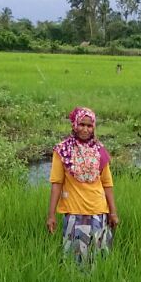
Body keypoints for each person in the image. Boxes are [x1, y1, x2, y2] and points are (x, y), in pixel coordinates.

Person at [46, 107, 121, 267]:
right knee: (74, 261)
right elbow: (57, 184)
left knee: (99, 259)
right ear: (74, 124)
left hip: (99, 212)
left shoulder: (99, 150)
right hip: (74, 213)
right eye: (81, 124)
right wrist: (51, 215)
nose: (85, 129)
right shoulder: (63, 150)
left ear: (93, 127)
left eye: (89, 126)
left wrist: (113, 212)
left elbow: (107, 184)